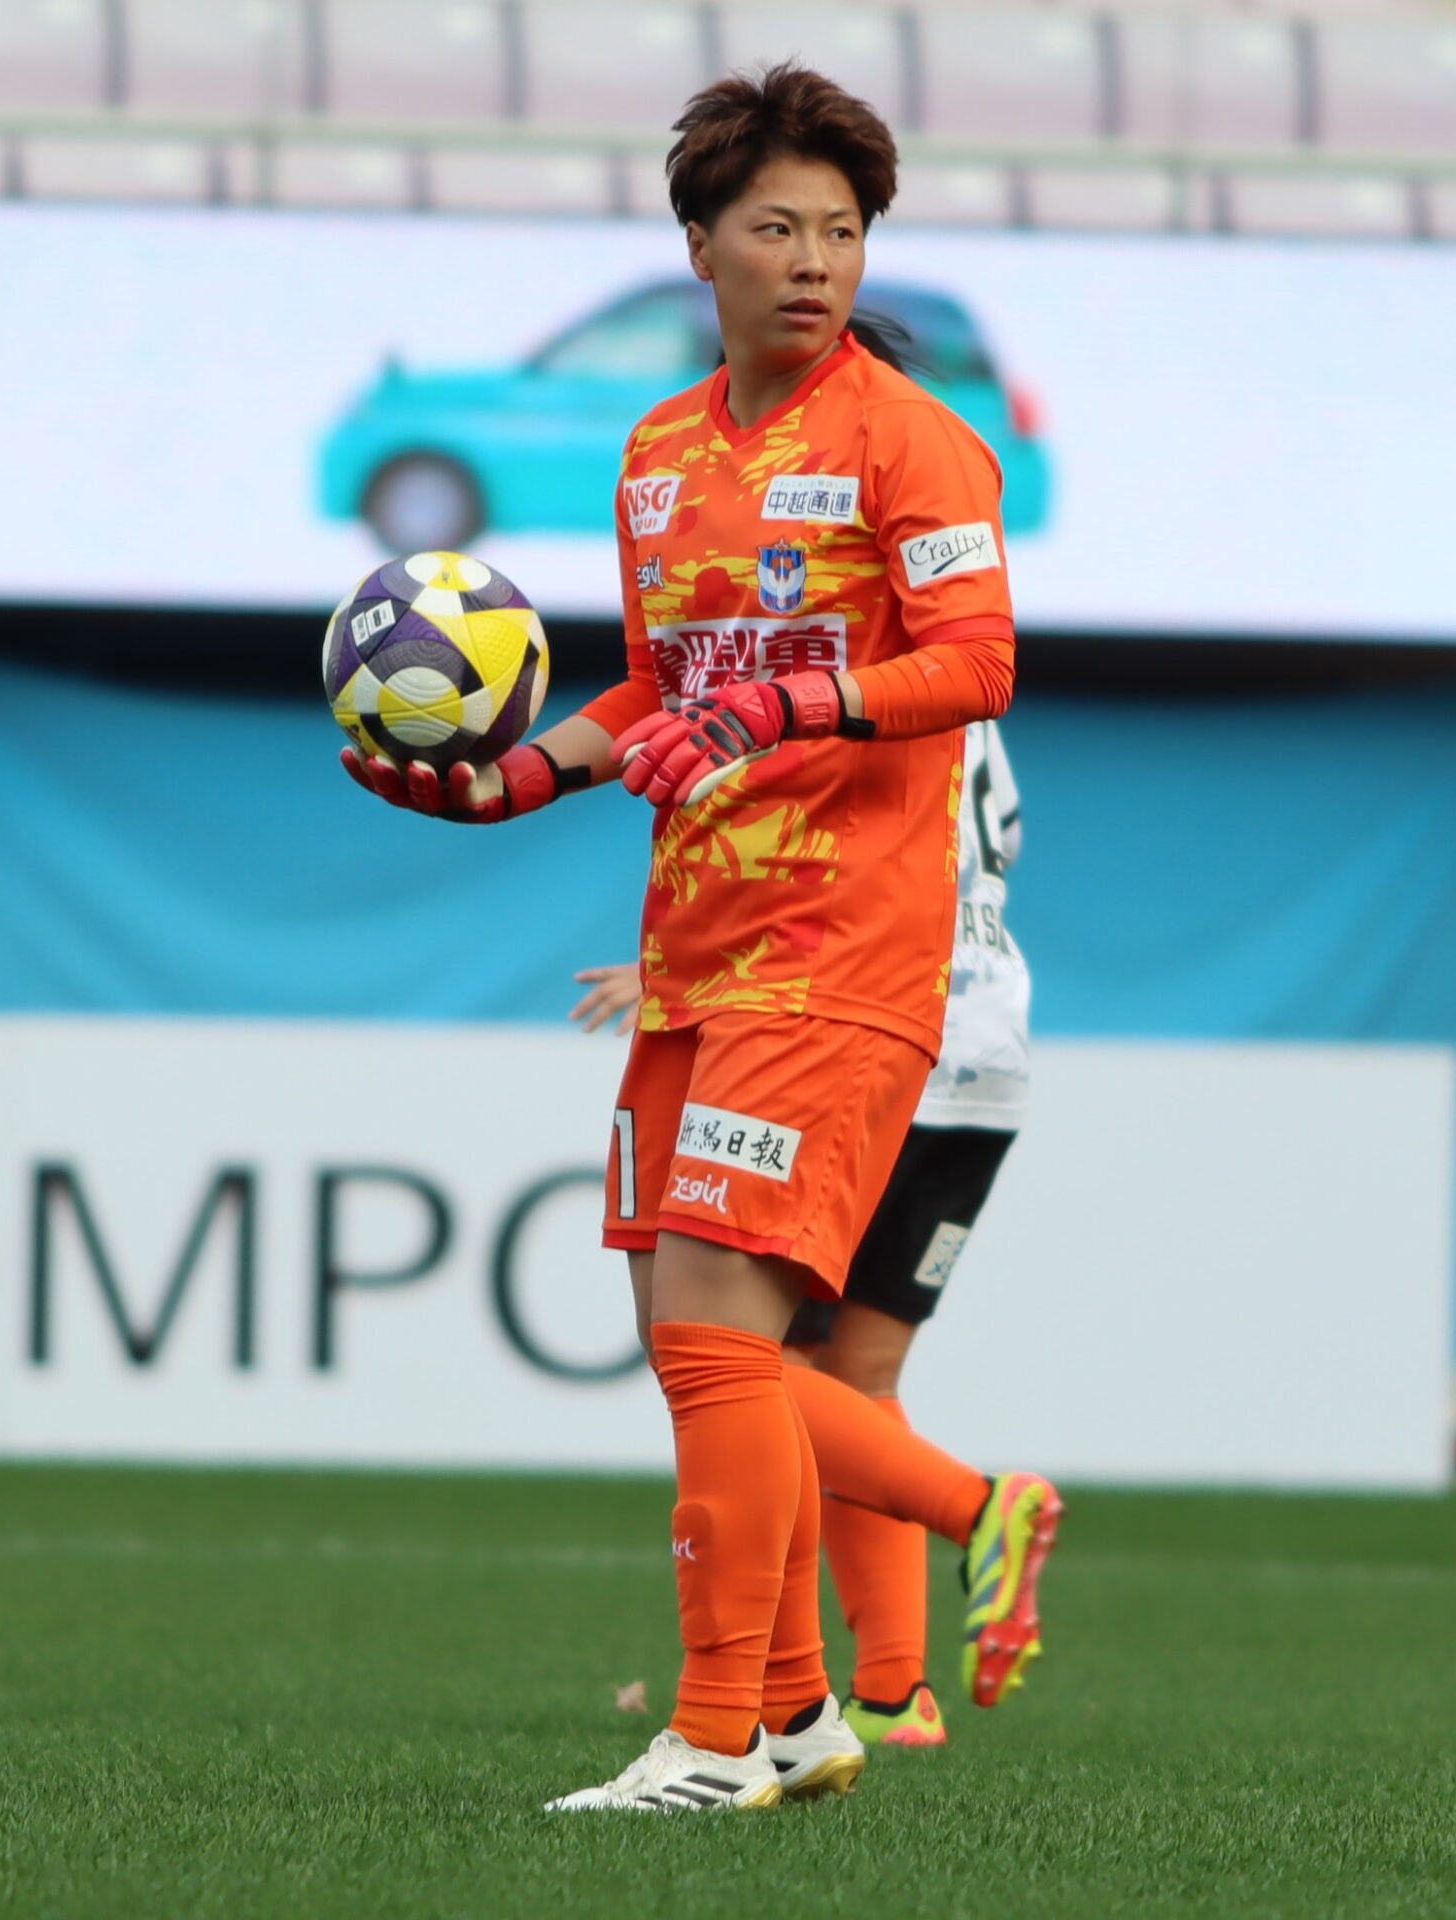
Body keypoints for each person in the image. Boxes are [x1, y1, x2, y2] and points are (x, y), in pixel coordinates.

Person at [344, 62, 1042, 1813]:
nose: (815, 261)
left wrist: (785, 707)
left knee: (727, 1339)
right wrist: (510, 785)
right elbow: (658, 687)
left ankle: (715, 1735)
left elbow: (976, 663)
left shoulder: (912, 438)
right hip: (695, 950)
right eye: (778, 228)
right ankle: (797, 1715)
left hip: (843, 953)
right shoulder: (658, 452)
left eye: (844, 232)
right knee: (693, 1345)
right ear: (702, 247)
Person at [572, 717, 1050, 1750]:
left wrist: (697, 972)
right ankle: (892, 1690)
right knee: (860, 1375)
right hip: (988, 1053)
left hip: (859, 1016)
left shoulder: (827, 683)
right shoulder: (962, 709)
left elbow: (808, 845)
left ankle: (967, 1517)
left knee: (743, 1356)